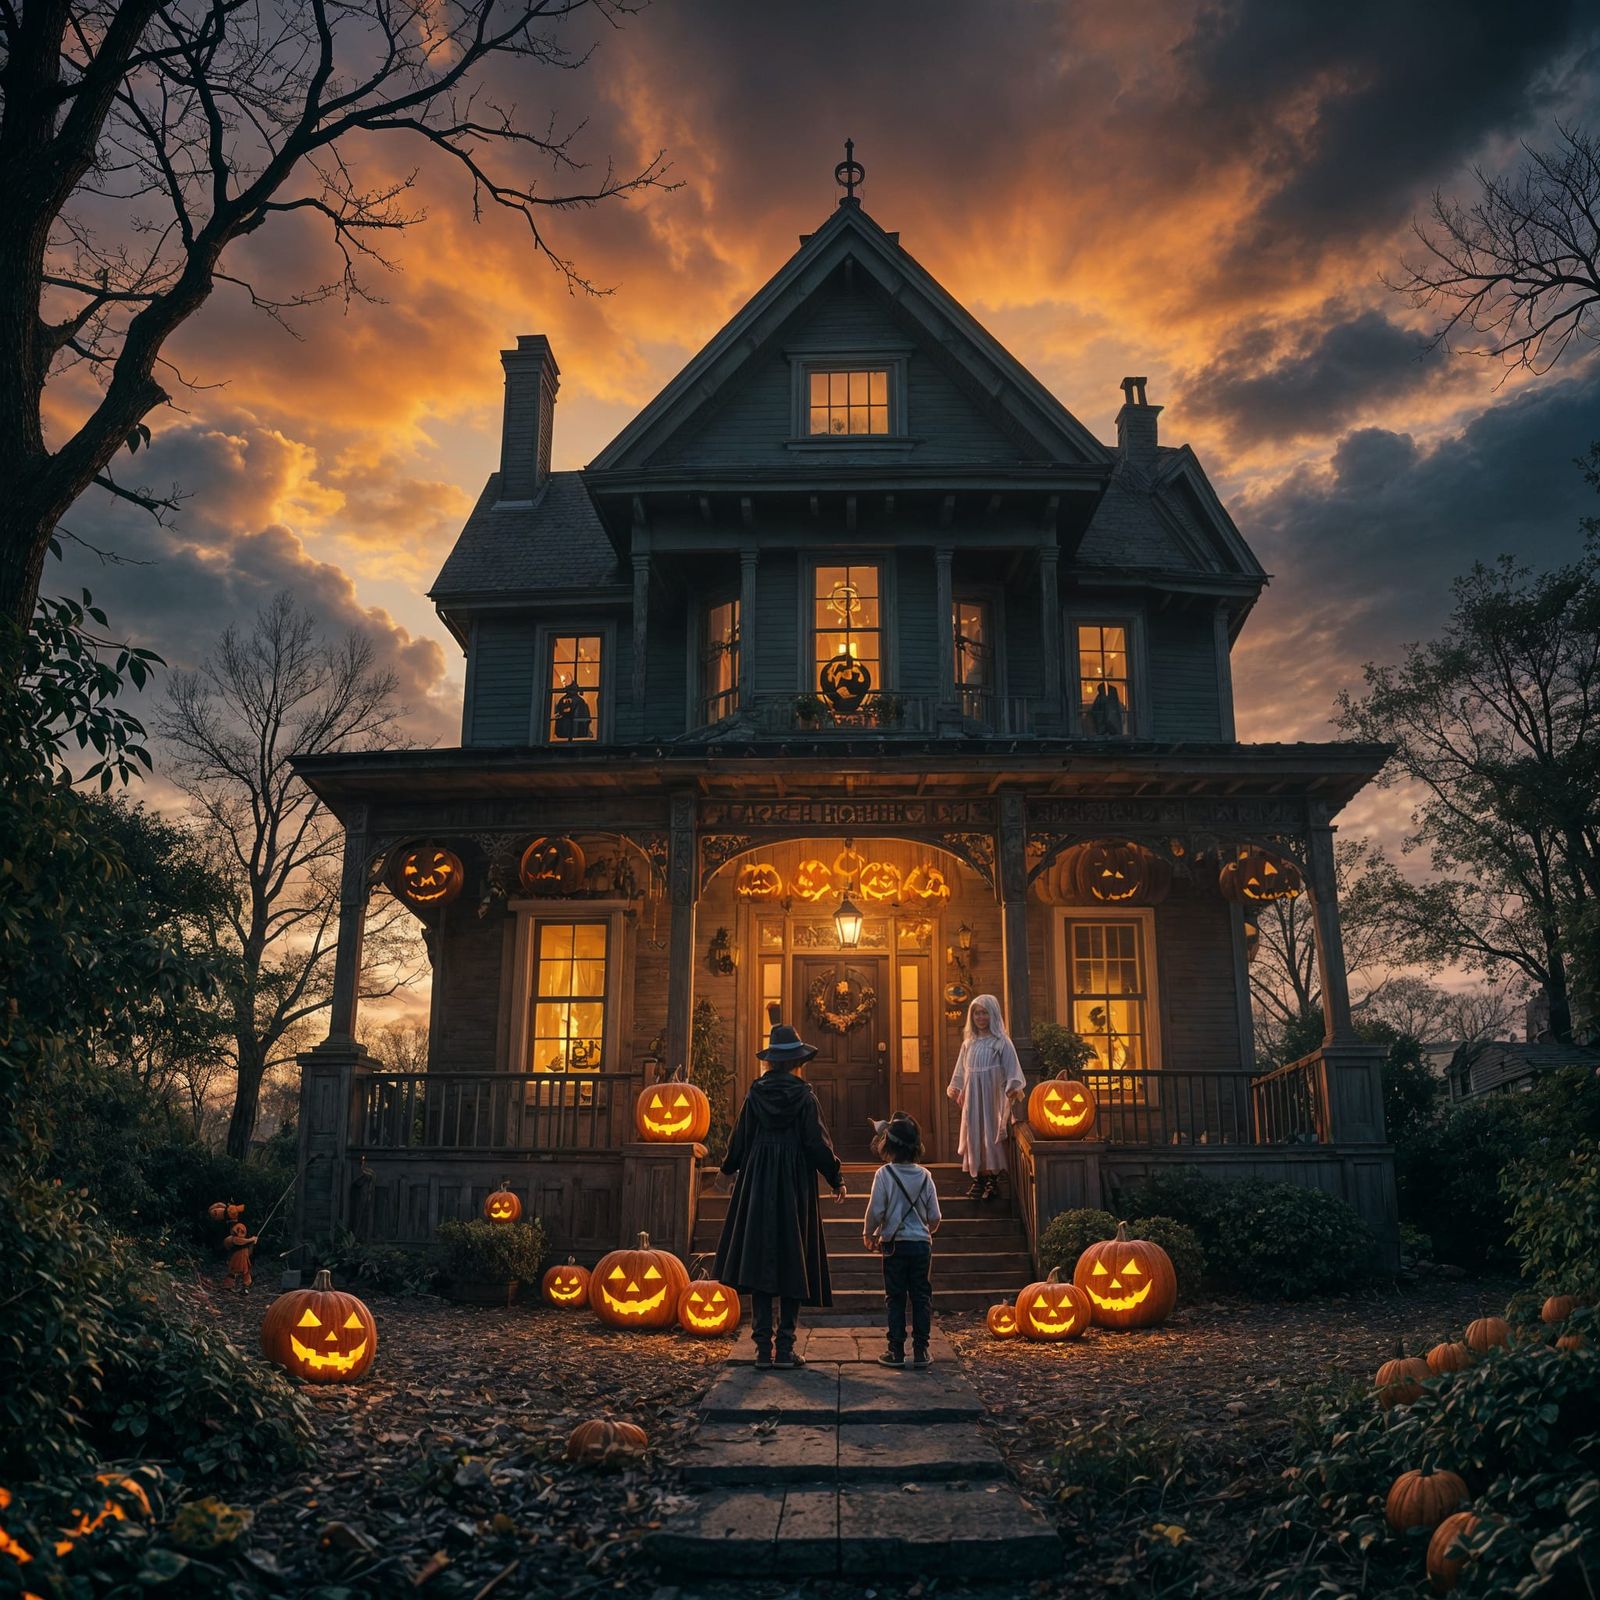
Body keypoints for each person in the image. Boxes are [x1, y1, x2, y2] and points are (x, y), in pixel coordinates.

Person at [714, 1023, 846, 1370]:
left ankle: (761, 1350)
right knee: (793, 1256)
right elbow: (816, 1144)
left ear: (772, 1062)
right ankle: (785, 1350)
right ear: (797, 1062)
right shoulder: (805, 1096)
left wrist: (727, 1169)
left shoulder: (755, 1093)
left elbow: (741, 1137)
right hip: (793, 1181)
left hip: (758, 1180)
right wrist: (835, 1177)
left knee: (759, 1256)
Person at [863, 1112, 942, 1370]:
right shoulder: (925, 1176)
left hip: (894, 1244)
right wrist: (927, 1228)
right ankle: (921, 1350)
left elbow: (876, 1210)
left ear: (888, 1145)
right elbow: (934, 1216)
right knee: (921, 1296)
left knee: (895, 1297)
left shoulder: (884, 1175)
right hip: (921, 1245)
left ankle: (895, 1350)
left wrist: (869, 1232)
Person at [946, 994, 1025, 1199]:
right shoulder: (969, 1044)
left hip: (992, 1097)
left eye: (984, 1013)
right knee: (974, 1133)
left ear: (993, 1015)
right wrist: (956, 1087)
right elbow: (961, 1071)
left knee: (991, 1134)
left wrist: (1012, 1086)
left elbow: (1012, 1070)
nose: (980, 1018)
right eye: (976, 1013)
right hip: (973, 1097)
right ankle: (978, 1178)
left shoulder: (1001, 1043)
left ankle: (994, 1179)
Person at [224, 1220, 259, 1293]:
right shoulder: (234, 1239)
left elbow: (249, 1249)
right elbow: (242, 1242)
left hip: (244, 1259)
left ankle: (245, 1288)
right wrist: (252, 1239)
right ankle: (228, 1286)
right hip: (236, 1259)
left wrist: (253, 1243)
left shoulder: (244, 1241)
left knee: (246, 1273)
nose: (240, 1232)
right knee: (232, 1272)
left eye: (241, 1231)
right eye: (238, 1230)